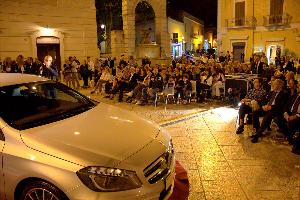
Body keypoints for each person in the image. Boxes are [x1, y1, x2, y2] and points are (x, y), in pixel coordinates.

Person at [251, 79, 288, 143]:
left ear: (280, 85)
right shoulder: (271, 92)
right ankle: (257, 129)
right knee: (255, 112)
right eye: (273, 84)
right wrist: (263, 106)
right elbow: (263, 99)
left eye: (275, 84)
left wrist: (271, 107)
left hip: (276, 110)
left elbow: (281, 105)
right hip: (267, 108)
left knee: (267, 116)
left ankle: (257, 135)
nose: (273, 85)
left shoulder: (284, 94)